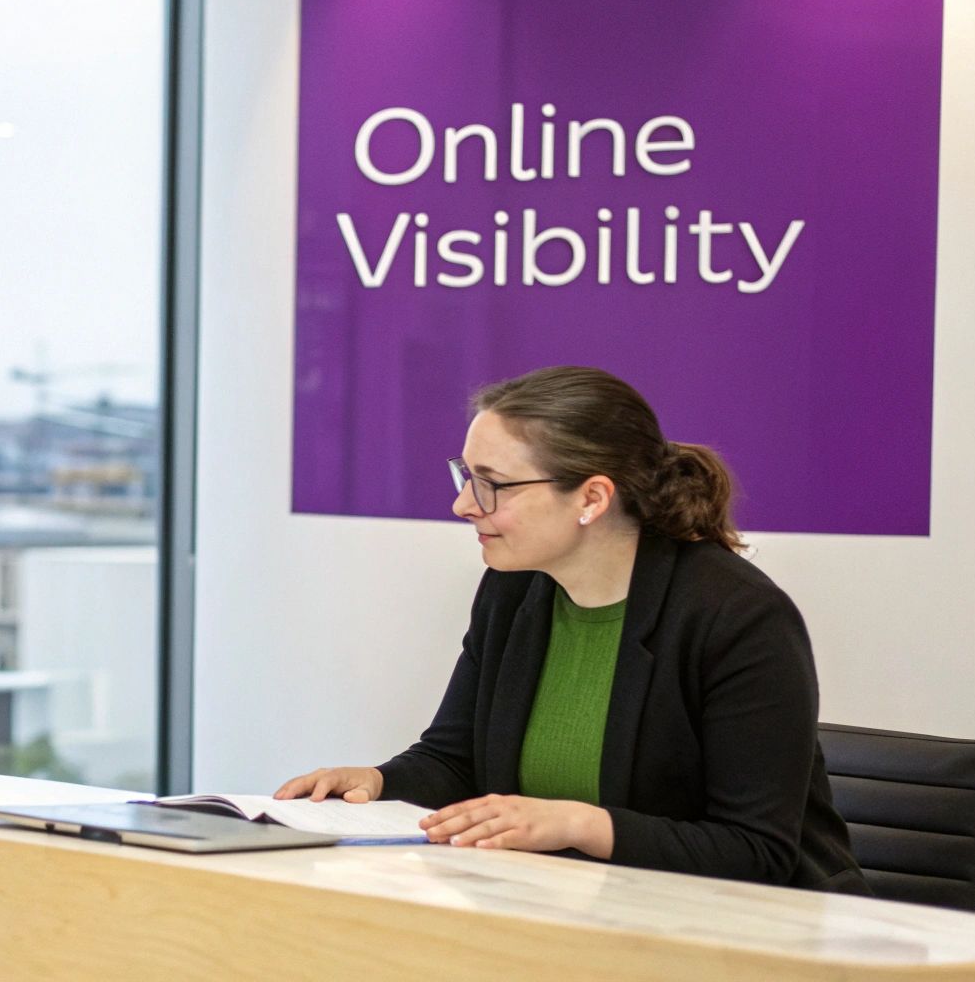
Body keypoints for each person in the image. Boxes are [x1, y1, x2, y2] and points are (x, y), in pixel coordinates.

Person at [276, 366, 867, 893]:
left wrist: (581, 823)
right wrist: (378, 782)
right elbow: (456, 761)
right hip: (576, 911)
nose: (462, 504)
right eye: (465, 475)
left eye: (491, 483)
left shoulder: (737, 616)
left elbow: (755, 853)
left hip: (756, 936)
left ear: (592, 497)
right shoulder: (515, 587)